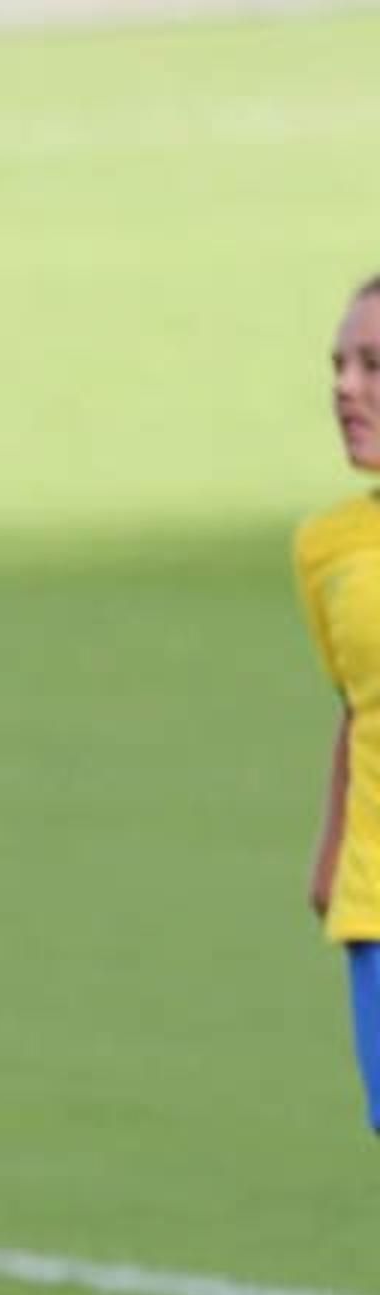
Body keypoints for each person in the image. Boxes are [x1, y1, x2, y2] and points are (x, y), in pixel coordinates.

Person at [299, 272, 380, 1117]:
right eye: (338, 367)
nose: (345, 389)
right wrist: (330, 850)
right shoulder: (329, 550)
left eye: (373, 366)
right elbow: (356, 704)